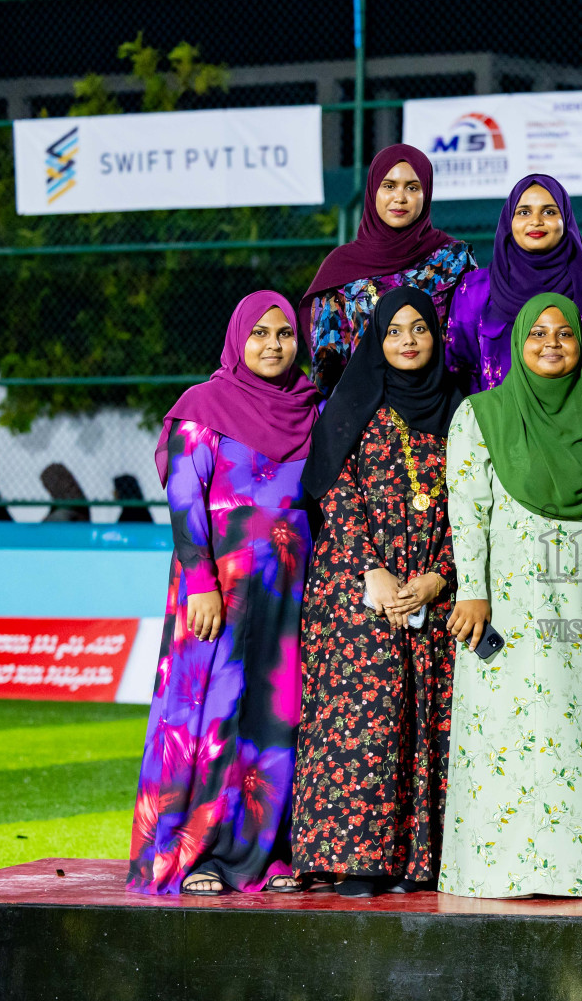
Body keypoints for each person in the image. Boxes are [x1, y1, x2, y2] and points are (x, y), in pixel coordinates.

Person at [128, 290, 321, 896]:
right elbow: (186, 502)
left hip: (291, 591)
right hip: (219, 590)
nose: (273, 345)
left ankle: (269, 854)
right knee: (215, 717)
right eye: (260, 333)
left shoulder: (311, 406)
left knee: (278, 716)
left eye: (285, 334)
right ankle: (199, 851)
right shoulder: (203, 406)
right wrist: (201, 583)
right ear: (239, 338)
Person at [292, 287, 464, 898]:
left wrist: (438, 575)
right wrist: (373, 571)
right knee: (361, 720)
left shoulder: (458, 409)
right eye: (395, 331)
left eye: (420, 329)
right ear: (378, 340)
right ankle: (348, 861)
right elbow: (334, 493)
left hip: (430, 584)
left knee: (422, 719)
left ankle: (412, 862)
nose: (409, 340)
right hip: (353, 584)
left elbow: (470, 504)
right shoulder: (351, 405)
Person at [441, 293, 582, 898]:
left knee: (568, 731)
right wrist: (474, 591)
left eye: (564, 335)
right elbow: (469, 513)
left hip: (579, 606)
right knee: (503, 735)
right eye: (537, 333)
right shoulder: (481, 415)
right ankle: (493, 869)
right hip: (505, 607)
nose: (551, 344)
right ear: (516, 342)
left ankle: (570, 872)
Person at [300, 144, 474, 395]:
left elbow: (469, 345)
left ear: (427, 193)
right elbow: (328, 364)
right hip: (366, 414)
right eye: (389, 186)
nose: (400, 197)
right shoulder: (341, 267)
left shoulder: (454, 260)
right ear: (373, 191)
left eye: (412, 187)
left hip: (442, 407)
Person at [447, 174, 582, 394]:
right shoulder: (474, 290)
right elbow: (458, 369)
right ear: (509, 221)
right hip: (497, 423)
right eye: (524, 212)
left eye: (549, 212)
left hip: (577, 422)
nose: (536, 221)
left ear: (565, 219)